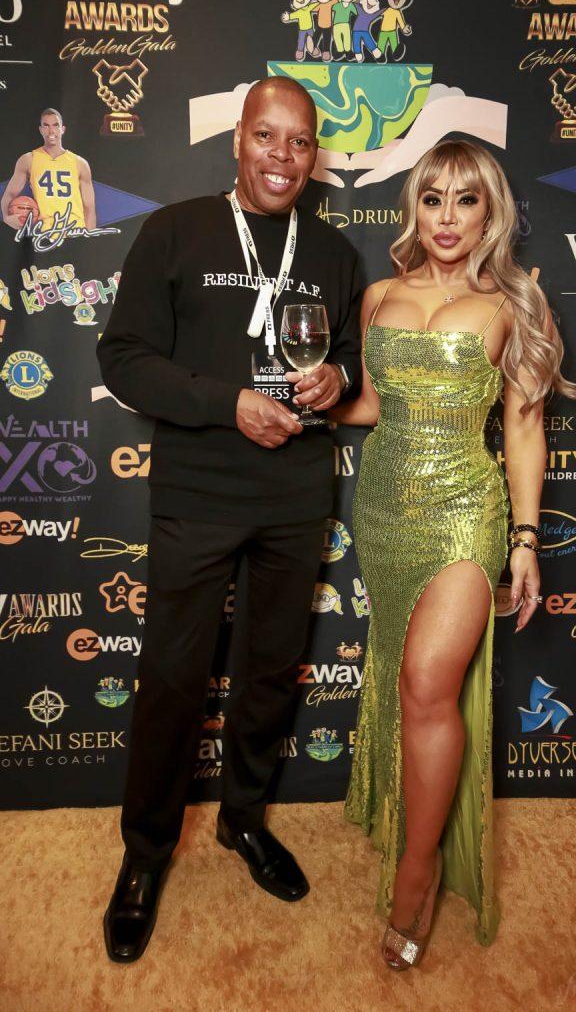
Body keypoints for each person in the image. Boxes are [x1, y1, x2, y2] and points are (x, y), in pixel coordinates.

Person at [97, 76, 362, 963]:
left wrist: (339, 378)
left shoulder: (335, 253)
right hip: (199, 492)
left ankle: (243, 819)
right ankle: (145, 854)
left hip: (295, 496)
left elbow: (352, 360)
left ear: (314, 154)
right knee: (174, 678)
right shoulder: (175, 230)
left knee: (270, 674)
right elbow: (123, 357)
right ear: (238, 140)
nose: (282, 157)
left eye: (299, 142)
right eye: (266, 136)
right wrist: (226, 403)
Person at [333, 139, 576, 969]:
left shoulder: (516, 302)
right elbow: (372, 406)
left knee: (427, 684)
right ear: (415, 207)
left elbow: (523, 427)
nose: (446, 217)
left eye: (465, 200)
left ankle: (420, 867)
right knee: (402, 681)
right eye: (432, 198)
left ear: (489, 212)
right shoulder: (379, 296)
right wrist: (309, 399)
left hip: (464, 513)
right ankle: (414, 836)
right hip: (382, 510)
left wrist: (525, 539)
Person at [1, 107, 96, 230]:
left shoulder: (80, 163)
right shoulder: (28, 160)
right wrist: (6, 217)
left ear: (63, 129)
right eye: (46, 126)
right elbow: (9, 194)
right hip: (44, 233)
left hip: (75, 231)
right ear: (41, 130)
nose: (51, 131)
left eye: (56, 125)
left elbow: (89, 208)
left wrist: (89, 238)